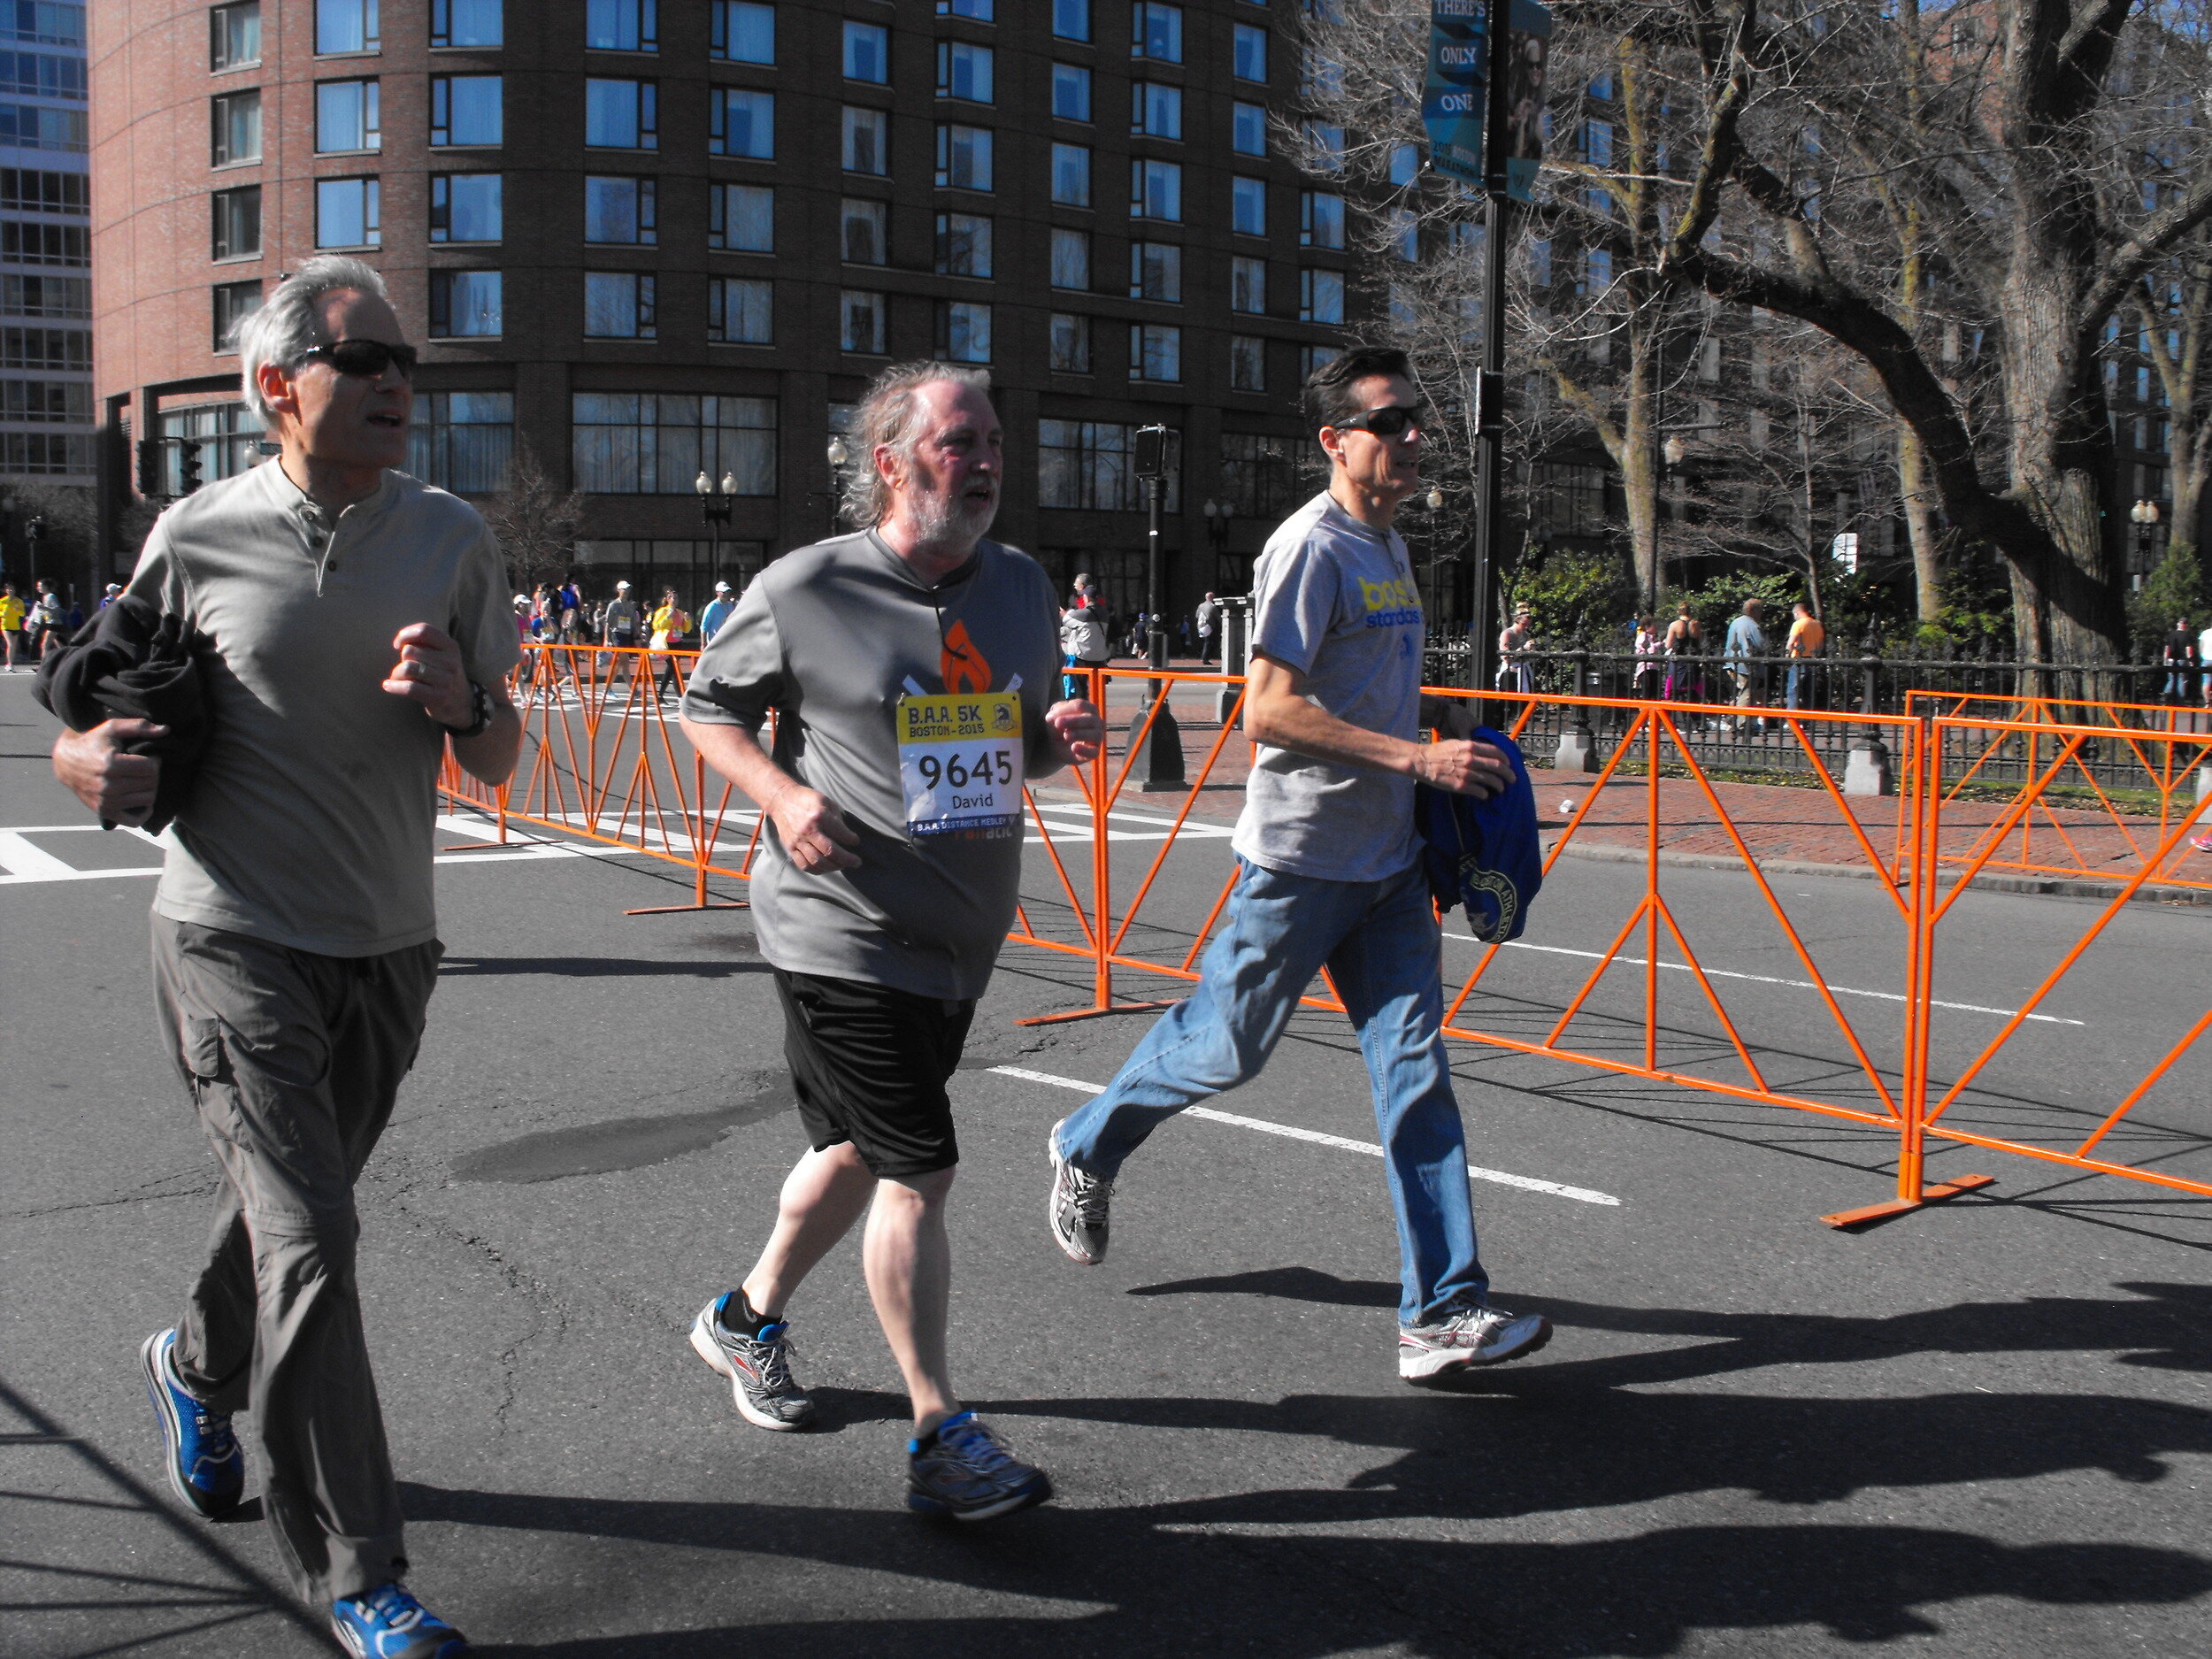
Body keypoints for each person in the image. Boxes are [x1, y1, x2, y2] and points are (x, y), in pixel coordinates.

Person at [50, 257, 518, 1658]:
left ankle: (197, 1366)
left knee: (286, 1218)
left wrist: (461, 699)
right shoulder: (193, 532)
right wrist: (83, 761)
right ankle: (361, 1571)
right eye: (363, 359)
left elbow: (499, 752)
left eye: (407, 367)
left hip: (389, 946)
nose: (394, 384)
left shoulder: (452, 538)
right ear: (275, 386)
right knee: (316, 1233)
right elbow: (93, 693)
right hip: (230, 934)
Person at [1045, 344, 1553, 1385]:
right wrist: (1417, 754)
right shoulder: (1310, 549)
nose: (1413, 436)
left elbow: (1362, 690)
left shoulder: (1389, 545)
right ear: (1334, 441)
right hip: (1298, 864)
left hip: (1389, 867)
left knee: (1416, 1075)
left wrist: (1448, 725)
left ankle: (1440, 1313)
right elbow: (1266, 713)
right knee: (1222, 1051)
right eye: (1390, 422)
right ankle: (1086, 1144)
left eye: (1417, 420)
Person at [677, 361, 1103, 1519]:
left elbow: (1011, 746)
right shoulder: (806, 586)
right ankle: (938, 1434)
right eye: (959, 441)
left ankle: (743, 1315)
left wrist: (1064, 735)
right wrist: (779, 792)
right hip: (841, 930)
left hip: (956, 943)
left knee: (861, 1148)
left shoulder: (1018, 586)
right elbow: (705, 706)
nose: (985, 460)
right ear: (890, 462)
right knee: (922, 1162)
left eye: (994, 440)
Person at [1723, 598, 1768, 730]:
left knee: (1740, 692)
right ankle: (1742, 723)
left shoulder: (1735, 622)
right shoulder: (1752, 625)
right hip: (1747, 664)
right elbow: (1761, 644)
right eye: (1760, 610)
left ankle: (1735, 719)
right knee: (1747, 693)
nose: (1761, 613)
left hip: (1732, 662)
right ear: (1754, 610)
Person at [1060, 590, 1110, 702]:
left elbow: (1067, 621)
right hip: (1100, 656)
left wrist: (1066, 613)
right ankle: (1098, 711)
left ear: (1086, 598)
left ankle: (1083, 710)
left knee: (1080, 688)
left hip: (1082, 655)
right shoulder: (1104, 613)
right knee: (1098, 689)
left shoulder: (1084, 613)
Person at [649, 585, 691, 702]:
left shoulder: (680, 612)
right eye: (672, 597)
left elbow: (686, 629)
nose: (674, 600)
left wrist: (688, 619)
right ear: (667, 599)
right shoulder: (662, 611)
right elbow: (656, 626)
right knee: (674, 668)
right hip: (666, 644)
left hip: (677, 643)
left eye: (676, 598)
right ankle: (680, 697)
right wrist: (668, 617)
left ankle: (660, 695)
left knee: (671, 669)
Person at [1784, 601, 1824, 711]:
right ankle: (1807, 720)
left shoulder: (1798, 624)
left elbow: (1791, 643)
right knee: (1808, 692)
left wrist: (1786, 657)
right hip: (1812, 660)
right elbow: (1821, 645)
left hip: (1799, 659)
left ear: (1797, 613)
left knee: (1793, 690)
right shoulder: (1817, 624)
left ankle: (1792, 718)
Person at [601, 580, 640, 682]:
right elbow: (608, 623)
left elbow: (633, 622)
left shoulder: (631, 605)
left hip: (627, 634)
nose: (627, 591)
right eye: (624, 589)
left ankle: (608, 688)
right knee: (624, 661)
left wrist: (637, 634)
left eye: (628, 589)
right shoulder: (613, 605)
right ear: (619, 590)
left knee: (619, 663)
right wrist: (606, 639)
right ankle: (632, 688)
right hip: (617, 635)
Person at [1496, 605, 1535, 695]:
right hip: (1511, 673)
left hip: (1524, 671)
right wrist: (1523, 648)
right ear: (1517, 620)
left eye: (1528, 625)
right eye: (1524, 624)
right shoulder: (1507, 634)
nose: (1526, 627)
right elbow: (1506, 657)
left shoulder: (1526, 635)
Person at [2162, 617, 2197, 705]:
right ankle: (2180, 700)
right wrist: (2191, 660)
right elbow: (2189, 649)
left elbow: (2167, 648)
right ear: (2185, 625)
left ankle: (2166, 696)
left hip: (2171, 659)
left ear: (2178, 624)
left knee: (2171, 679)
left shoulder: (2171, 634)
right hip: (2182, 659)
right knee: (2182, 679)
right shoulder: (2187, 635)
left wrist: (2165, 660)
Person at [1632, 615, 1663, 701]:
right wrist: (1657, 645)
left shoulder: (1653, 637)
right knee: (1647, 690)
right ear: (1647, 626)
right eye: (1654, 625)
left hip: (1654, 668)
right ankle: (1645, 710)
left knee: (1655, 692)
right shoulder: (1643, 636)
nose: (1656, 627)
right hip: (1645, 668)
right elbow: (1644, 648)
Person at [700, 579, 738, 645]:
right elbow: (704, 626)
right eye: (724, 592)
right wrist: (703, 644)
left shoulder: (730, 606)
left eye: (728, 592)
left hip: (728, 641)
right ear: (717, 593)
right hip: (715, 642)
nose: (726, 594)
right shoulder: (712, 607)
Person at [0, 580, 22, 669]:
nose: (11, 590)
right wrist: (2, 614)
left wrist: (18, 610)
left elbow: (22, 614)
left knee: (14, 646)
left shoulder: (18, 601)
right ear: (6, 590)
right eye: (9, 589)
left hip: (16, 625)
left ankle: (10, 662)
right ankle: (10, 664)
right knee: (10, 644)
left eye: (12, 589)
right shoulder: (2, 601)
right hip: (6, 625)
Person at [1195, 590, 1220, 664]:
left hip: (1200, 626)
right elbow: (1218, 617)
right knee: (1208, 642)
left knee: (1203, 642)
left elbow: (1197, 615)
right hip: (1208, 626)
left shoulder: (1200, 605)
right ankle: (1205, 658)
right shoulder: (1213, 606)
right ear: (1212, 598)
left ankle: (1200, 656)